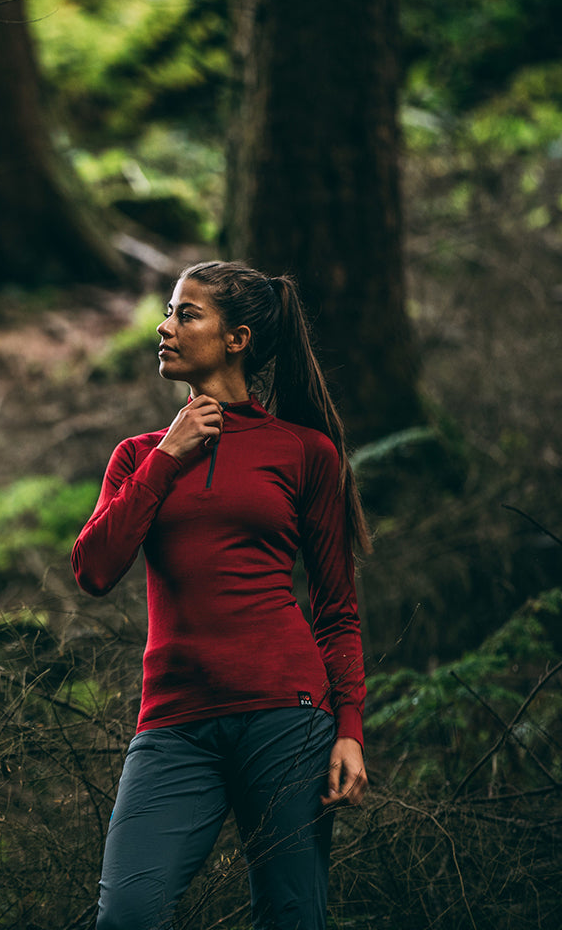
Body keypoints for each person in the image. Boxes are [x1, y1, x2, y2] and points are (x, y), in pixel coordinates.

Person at [71, 261, 370, 930]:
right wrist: (167, 458)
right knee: (127, 913)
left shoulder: (305, 452)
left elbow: (336, 608)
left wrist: (348, 728)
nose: (164, 326)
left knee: (293, 915)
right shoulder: (138, 454)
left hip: (286, 714)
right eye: (170, 312)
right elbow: (93, 570)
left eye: (186, 313)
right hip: (174, 723)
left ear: (236, 338)